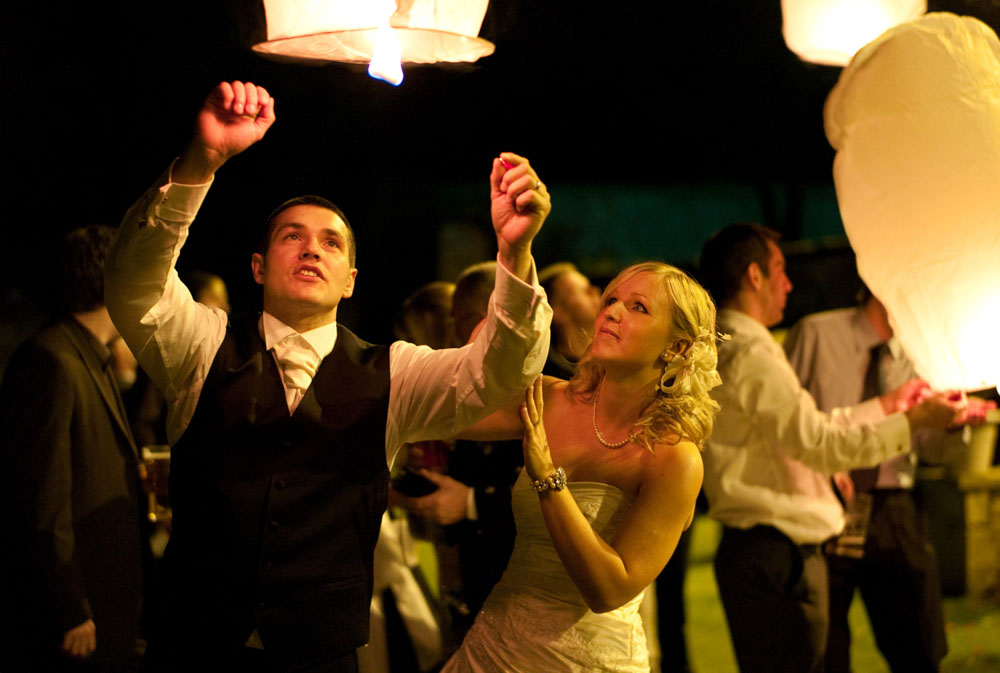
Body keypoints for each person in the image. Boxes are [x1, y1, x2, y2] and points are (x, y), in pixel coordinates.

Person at [104, 80, 552, 672]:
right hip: (192, 644)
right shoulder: (203, 344)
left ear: (351, 279)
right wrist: (200, 162)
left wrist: (515, 255)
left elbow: (498, 372)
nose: (311, 249)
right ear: (260, 268)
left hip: (320, 654)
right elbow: (134, 286)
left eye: (330, 243)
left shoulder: (395, 371)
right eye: (293, 237)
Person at [697, 223, 975, 673]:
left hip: (765, 549)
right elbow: (820, 444)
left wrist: (888, 404)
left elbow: (807, 429)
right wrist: (913, 420)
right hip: (776, 552)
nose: (789, 284)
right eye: (781, 270)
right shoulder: (751, 351)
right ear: (754, 276)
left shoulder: (732, 345)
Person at [442, 261, 715, 672]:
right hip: (493, 648)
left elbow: (610, 589)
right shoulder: (550, 398)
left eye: (638, 307)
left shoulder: (673, 458)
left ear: (675, 349)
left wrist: (548, 479)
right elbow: (448, 413)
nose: (612, 311)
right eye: (610, 300)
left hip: (586, 661)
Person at [784, 290, 989, 673]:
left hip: (893, 507)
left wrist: (950, 424)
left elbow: (932, 451)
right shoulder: (816, 333)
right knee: (823, 650)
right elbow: (783, 423)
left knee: (919, 646)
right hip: (824, 500)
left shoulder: (922, 352)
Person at [1, 226, 147, 673]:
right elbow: (42, 497)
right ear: (116, 280)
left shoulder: (89, 355)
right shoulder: (52, 360)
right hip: (81, 610)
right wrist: (71, 607)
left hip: (107, 601)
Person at [402, 262, 525, 637]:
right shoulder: (477, 387)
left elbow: (559, 494)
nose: (452, 333)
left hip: (518, 590)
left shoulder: (540, 383)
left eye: (457, 321)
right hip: (479, 582)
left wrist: (471, 501)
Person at [538, 262, 601, 378]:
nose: (595, 292)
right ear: (557, 312)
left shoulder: (607, 365)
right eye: (586, 291)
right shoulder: (550, 376)